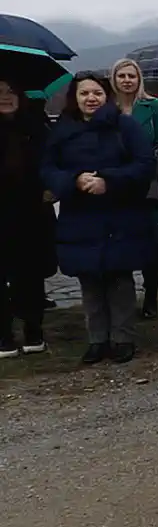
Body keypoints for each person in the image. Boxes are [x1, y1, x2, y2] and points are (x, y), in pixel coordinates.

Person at [41, 72, 156, 364]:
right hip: (79, 216)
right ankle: (97, 339)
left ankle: (122, 338)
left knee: (119, 279)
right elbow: (47, 169)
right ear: (74, 98)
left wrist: (108, 180)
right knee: (89, 281)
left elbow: (144, 165)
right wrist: (73, 181)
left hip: (120, 213)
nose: (90, 98)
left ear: (107, 96)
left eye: (97, 93)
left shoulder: (124, 127)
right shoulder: (62, 131)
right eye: (84, 94)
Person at [0, 79, 55, 358]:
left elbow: (51, 162)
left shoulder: (35, 127)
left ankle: (34, 331)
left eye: (10, 91)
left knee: (31, 275)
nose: (5, 97)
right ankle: (4, 336)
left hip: (31, 213)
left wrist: (51, 188)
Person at [111, 59, 158, 319]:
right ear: (114, 79)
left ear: (139, 79)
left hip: (147, 180)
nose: (126, 80)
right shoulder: (107, 109)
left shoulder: (152, 105)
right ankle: (122, 298)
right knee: (120, 240)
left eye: (131, 75)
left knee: (151, 241)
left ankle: (152, 296)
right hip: (115, 182)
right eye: (121, 75)